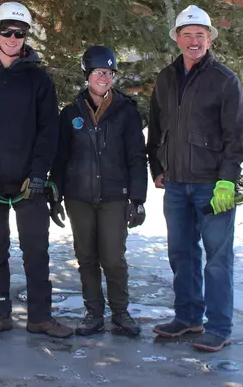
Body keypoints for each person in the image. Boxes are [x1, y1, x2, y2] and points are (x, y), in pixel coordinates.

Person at [0, 2, 72, 338]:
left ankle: (40, 316)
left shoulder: (39, 81)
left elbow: (49, 133)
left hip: (27, 184)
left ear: (25, 37)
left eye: (18, 33)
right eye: (6, 31)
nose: (11, 38)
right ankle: (1, 312)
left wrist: (38, 174)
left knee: (36, 250)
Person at [147, 4, 243, 352]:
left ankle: (219, 326)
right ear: (177, 38)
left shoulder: (224, 80)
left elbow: (237, 137)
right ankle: (188, 317)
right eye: (187, 35)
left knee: (218, 259)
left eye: (200, 35)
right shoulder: (166, 78)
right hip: (175, 184)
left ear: (209, 39)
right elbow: (157, 127)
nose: (194, 41)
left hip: (211, 185)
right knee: (181, 252)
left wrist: (227, 180)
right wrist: (156, 168)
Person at [51, 46, 148, 337]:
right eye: (98, 72)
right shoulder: (71, 113)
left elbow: (136, 157)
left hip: (114, 197)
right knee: (87, 257)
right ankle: (93, 312)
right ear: (87, 75)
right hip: (78, 197)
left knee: (113, 257)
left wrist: (138, 199)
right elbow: (60, 156)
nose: (103, 77)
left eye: (108, 72)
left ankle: (120, 312)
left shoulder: (126, 112)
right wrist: (55, 194)